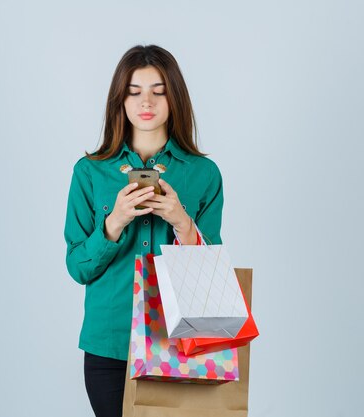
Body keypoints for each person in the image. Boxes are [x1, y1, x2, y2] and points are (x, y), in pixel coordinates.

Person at [63, 44, 224, 417]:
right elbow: (78, 267)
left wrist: (183, 223)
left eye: (158, 90)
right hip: (110, 346)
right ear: (120, 100)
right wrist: (115, 221)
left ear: (175, 98)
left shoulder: (204, 174)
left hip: (180, 343)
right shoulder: (89, 172)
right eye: (134, 92)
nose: (145, 101)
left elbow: (212, 272)